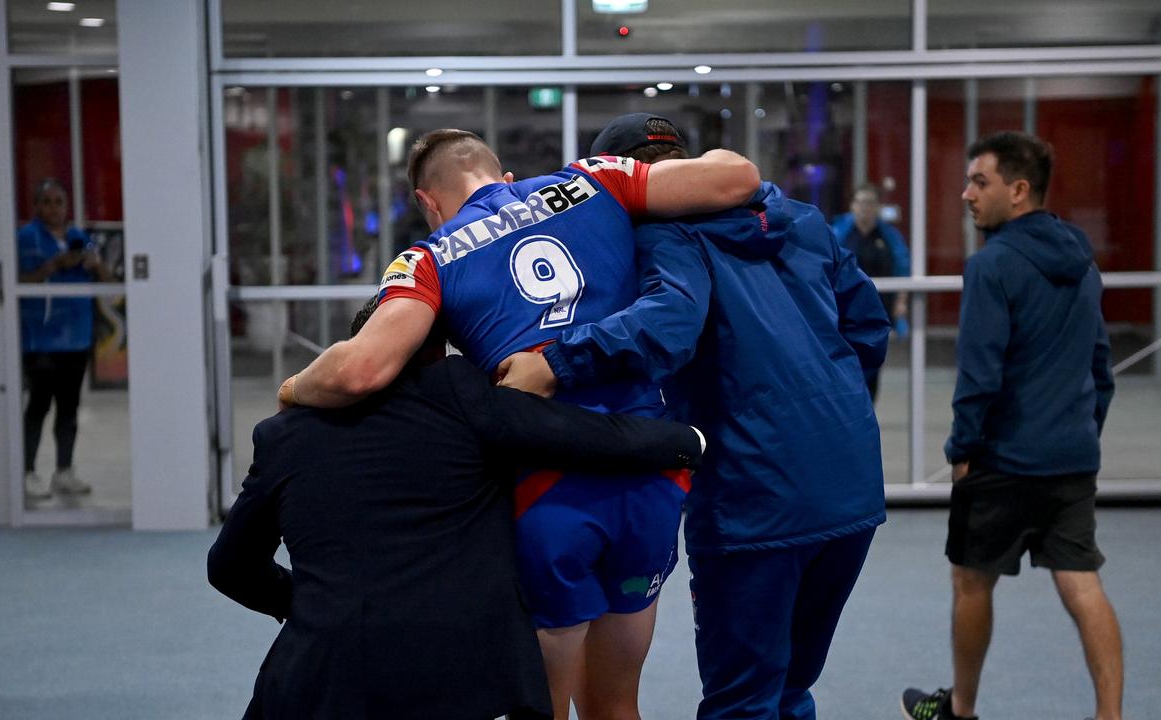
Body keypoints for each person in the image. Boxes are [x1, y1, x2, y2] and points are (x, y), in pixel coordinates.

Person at [275, 129, 759, 718]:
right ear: (503, 176)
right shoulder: (591, 178)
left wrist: (293, 387)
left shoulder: (428, 257)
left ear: (429, 203)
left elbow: (362, 370)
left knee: (544, 706)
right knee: (615, 702)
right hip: (650, 473)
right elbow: (737, 178)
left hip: (549, 491)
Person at [497, 112, 891, 720]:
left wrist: (555, 363)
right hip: (853, 484)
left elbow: (669, 326)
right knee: (790, 686)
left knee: (743, 701)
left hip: (758, 494)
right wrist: (827, 406)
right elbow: (867, 324)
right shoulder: (804, 221)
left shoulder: (666, 232)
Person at [208, 299, 704, 720]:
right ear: (433, 351)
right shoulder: (459, 394)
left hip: (318, 680)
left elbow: (229, 567)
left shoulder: (282, 437)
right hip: (466, 683)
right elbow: (577, 434)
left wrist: (311, 604)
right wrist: (687, 441)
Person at [901, 132, 1121, 720]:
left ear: (1018, 191)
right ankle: (1111, 714)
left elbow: (980, 375)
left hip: (1003, 460)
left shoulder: (991, 266)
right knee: (1081, 584)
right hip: (1072, 457)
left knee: (971, 583)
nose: (966, 193)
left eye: (980, 182)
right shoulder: (1081, 258)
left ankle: (961, 710)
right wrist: (1082, 429)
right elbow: (1101, 365)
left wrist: (962, 451)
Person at [17, 177, 113, 501]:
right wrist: (54, 265)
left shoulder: (78, 237)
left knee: (69, 408)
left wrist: (95, 263)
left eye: (59, 202)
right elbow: (18, 280)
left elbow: (108, 283)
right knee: (39, 406)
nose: (54, 209)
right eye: (47, 202)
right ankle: (27, 471)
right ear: (36, 206)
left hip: (76, 337)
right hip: (40, 339)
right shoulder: (26, 237)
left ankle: (64, 471)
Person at [831, 182, 911, 401]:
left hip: (877, 312)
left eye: (870, 203)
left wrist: (901, 302)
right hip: (845, 311)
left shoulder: (889, 237)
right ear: (852, 206)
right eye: (860, 202)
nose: (865, 208)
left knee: (872, 365)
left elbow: (902, 267)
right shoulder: (840, 234)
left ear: (877, 207)